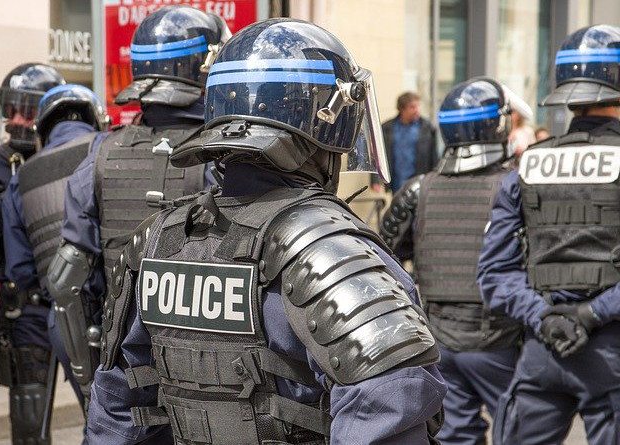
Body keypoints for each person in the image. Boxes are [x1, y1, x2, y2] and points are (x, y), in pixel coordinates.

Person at [84, 17, 445, 445]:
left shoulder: (157, 240)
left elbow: (117, 412)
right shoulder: (327, 248)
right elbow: (389, 410)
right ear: (323, 121)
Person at [46, 4, 228, 419]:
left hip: (123, 373)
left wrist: (91, 379)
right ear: (206, 66)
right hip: (212, 375)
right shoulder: (226, 156)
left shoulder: (101, 154)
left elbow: (65, 283)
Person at [478, 24, 620, 445]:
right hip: (612, 355)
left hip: (544, 349)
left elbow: (494, 275)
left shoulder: (528, 166)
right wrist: (590, 314)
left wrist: (544, 317)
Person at [380, 77, 527, 445]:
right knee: (521, 432)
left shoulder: (418, 189)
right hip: (501, 339)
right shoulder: (518, 187)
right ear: (498, 124)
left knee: (457, 435)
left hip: (439, 340)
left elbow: (383, 259)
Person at [1, 84, 108, 440]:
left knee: (97, 420)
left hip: (65, 321)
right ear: (94, 117)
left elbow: (20, 270)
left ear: (43, 127)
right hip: (124, 311)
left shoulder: (21, 177)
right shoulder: (110, 150)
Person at [0, 63, 65, 445]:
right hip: (22, 307)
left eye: (28, 110)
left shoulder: (69, 156)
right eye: (11, 109)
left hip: (78, 301)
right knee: (30, 420)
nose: (17, 120)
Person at [379, 91, 438, 192]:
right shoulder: (387, 128)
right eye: (412, 107)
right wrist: (376, 180)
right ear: (402, 109)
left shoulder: (427, 128)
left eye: (418, 106)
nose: (417, 110)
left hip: (420, 182)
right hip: (396, 182)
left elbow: (434, 156)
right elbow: (378, 155)